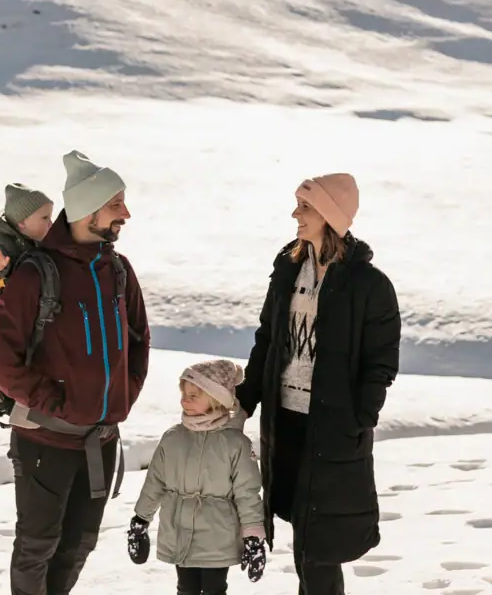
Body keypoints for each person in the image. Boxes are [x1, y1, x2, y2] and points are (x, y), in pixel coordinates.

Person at [0, 150, 151, 595]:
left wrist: (124, 395)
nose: (126, 214)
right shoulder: (37, 275)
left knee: (80, 546)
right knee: (37, 546)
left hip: (101, 440)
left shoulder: (117, 269)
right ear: (87, 210)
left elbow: (139, 340)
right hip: (45, 441)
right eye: (116, 204)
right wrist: (54, 404)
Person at [236, 173, 401, 595]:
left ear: (330, 215)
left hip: (333, 426)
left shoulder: (369, 285)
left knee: (320, 548)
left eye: (305, 206)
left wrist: (359, 418)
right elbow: (268, 338)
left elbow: (380, 362)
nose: (295, 213)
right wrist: (247, 397)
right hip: (286, 420)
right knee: (304, 536)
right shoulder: (288, 267)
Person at [128, 359, 266, 595]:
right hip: (179, 531)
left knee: (214, 589)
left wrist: (253, 537)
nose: (185, 400)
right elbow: (155, 482)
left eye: (194, 395)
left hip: (218, 534)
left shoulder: (235, 444)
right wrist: (140, 520)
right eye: (184, 394)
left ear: (216, 399)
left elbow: (247, 493)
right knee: (186, 588)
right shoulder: (173, 438)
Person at [0, 183, 54, 428]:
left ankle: (6, 394)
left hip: (24, 312)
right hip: (0, 315)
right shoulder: (5, 242)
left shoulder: (31, 239)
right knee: (7, 356)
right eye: (44, 218)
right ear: (22, 223)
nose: (50, 223)